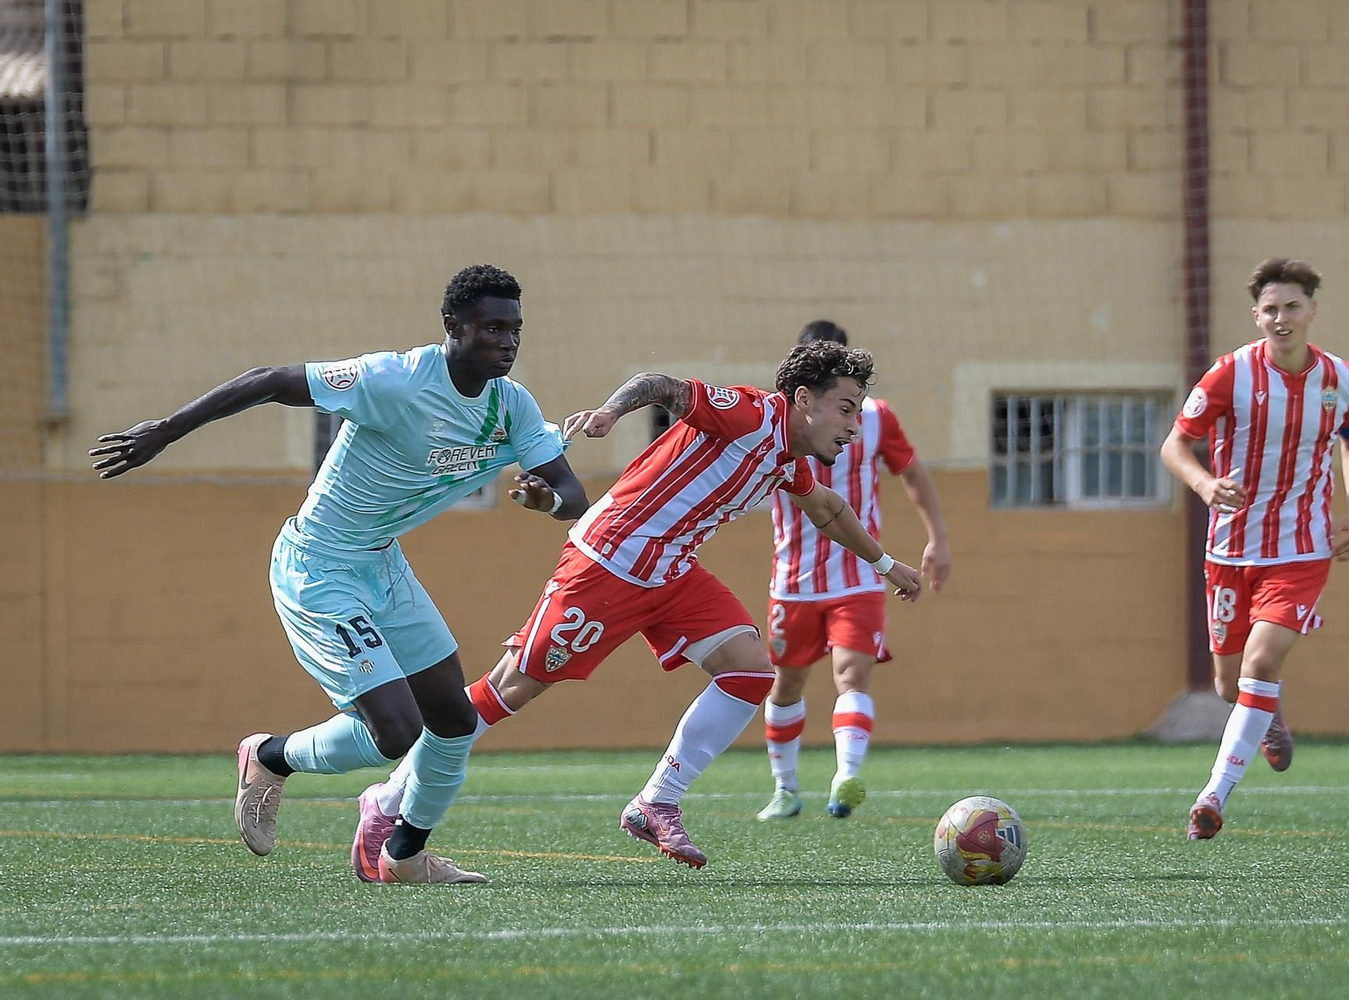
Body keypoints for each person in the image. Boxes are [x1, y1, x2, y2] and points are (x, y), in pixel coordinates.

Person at [89, 264, 587, 883]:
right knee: (397, 730)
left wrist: (549, 503)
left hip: (383, 562)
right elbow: (268, 380)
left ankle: (403, 858)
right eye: (492, 328)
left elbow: (573, 495)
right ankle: (271, 755)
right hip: (319, 565)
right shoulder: (394, 380)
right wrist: (164, 431)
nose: (508, 341)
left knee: (454, 719)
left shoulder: (512, 406)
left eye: (515, 329)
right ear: (453, 328)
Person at [353, 339, 924, 872]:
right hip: (608, 561)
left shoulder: (786, 458)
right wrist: (609, 412)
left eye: (859, 411)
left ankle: (657, 803)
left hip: (671, 571)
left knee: (750, 672)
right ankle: (387, 800)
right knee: (511, 689)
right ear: (804, 400)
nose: (854, 426)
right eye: (846, 409)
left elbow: (826, 509)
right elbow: (659, 384)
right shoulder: (751, 415)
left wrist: (885, 564)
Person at [1160, 257, 1349, 840]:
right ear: (1257, 315)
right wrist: (1205, 484)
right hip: (1230, 550)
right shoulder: (1229, 375)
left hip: (1302, 550)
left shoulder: (1341, 380)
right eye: (1271, 309)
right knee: (1230, 684)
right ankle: (1269, 716)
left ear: (1312, 310)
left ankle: (1214, 795)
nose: (1282, 318)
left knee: (1261, 660)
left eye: (1292, 307)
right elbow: (1175, 445)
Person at [756, 320, 951, 822]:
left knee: (852, 675)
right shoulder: (772, 420)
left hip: (858, 576)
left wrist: (939, 537)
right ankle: (786, 787)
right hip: (793, 579)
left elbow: (912, 472)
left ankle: (846, 777)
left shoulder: (877, 418)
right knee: (786, 684)